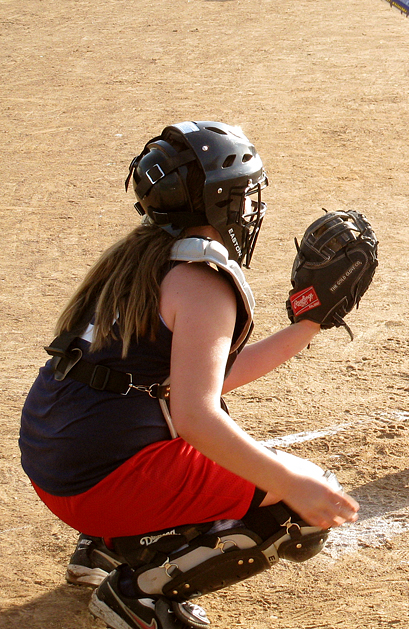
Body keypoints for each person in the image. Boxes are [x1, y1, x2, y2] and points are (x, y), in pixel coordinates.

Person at [19, 121, 360, 629]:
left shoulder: (139, 256)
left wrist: (307, 325)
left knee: (176, 425)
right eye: (243, 194)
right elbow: (197, 414)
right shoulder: (203, 281)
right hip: (99, 483)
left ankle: (106, 550)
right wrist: (291, 480)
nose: (251, 208)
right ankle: (139, 597)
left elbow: (198, 378)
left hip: (54, 461)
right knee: (302, 501)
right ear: (219, 202)